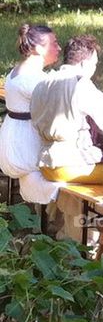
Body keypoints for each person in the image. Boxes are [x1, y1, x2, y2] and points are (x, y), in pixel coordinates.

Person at [31, 35, 103, 187]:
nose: (94, 70)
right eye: (94, 64)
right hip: (72, 164)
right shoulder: (79, 83)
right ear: (84, 63)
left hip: (45, 164)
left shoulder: (42, 83)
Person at [0, 24, 61, 208]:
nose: (58, 48)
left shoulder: (19, 71)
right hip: (24, 148)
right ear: (39, 48)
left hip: (14, 139)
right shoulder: (33, 79)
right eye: (54, 43)